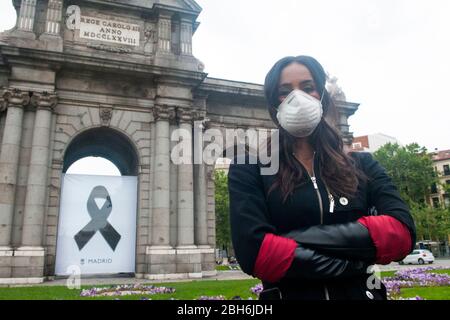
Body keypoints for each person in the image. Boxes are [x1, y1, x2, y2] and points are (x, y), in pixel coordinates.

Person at [228, 55, 416, 300]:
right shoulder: (248, 169)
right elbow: (255, 253)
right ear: (274, 103)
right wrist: (356, 263)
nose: (298, 98)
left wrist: (285, 242)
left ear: (323, 96)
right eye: (285, 91)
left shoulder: (364, 164)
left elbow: (401, 233)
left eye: (308, 88)